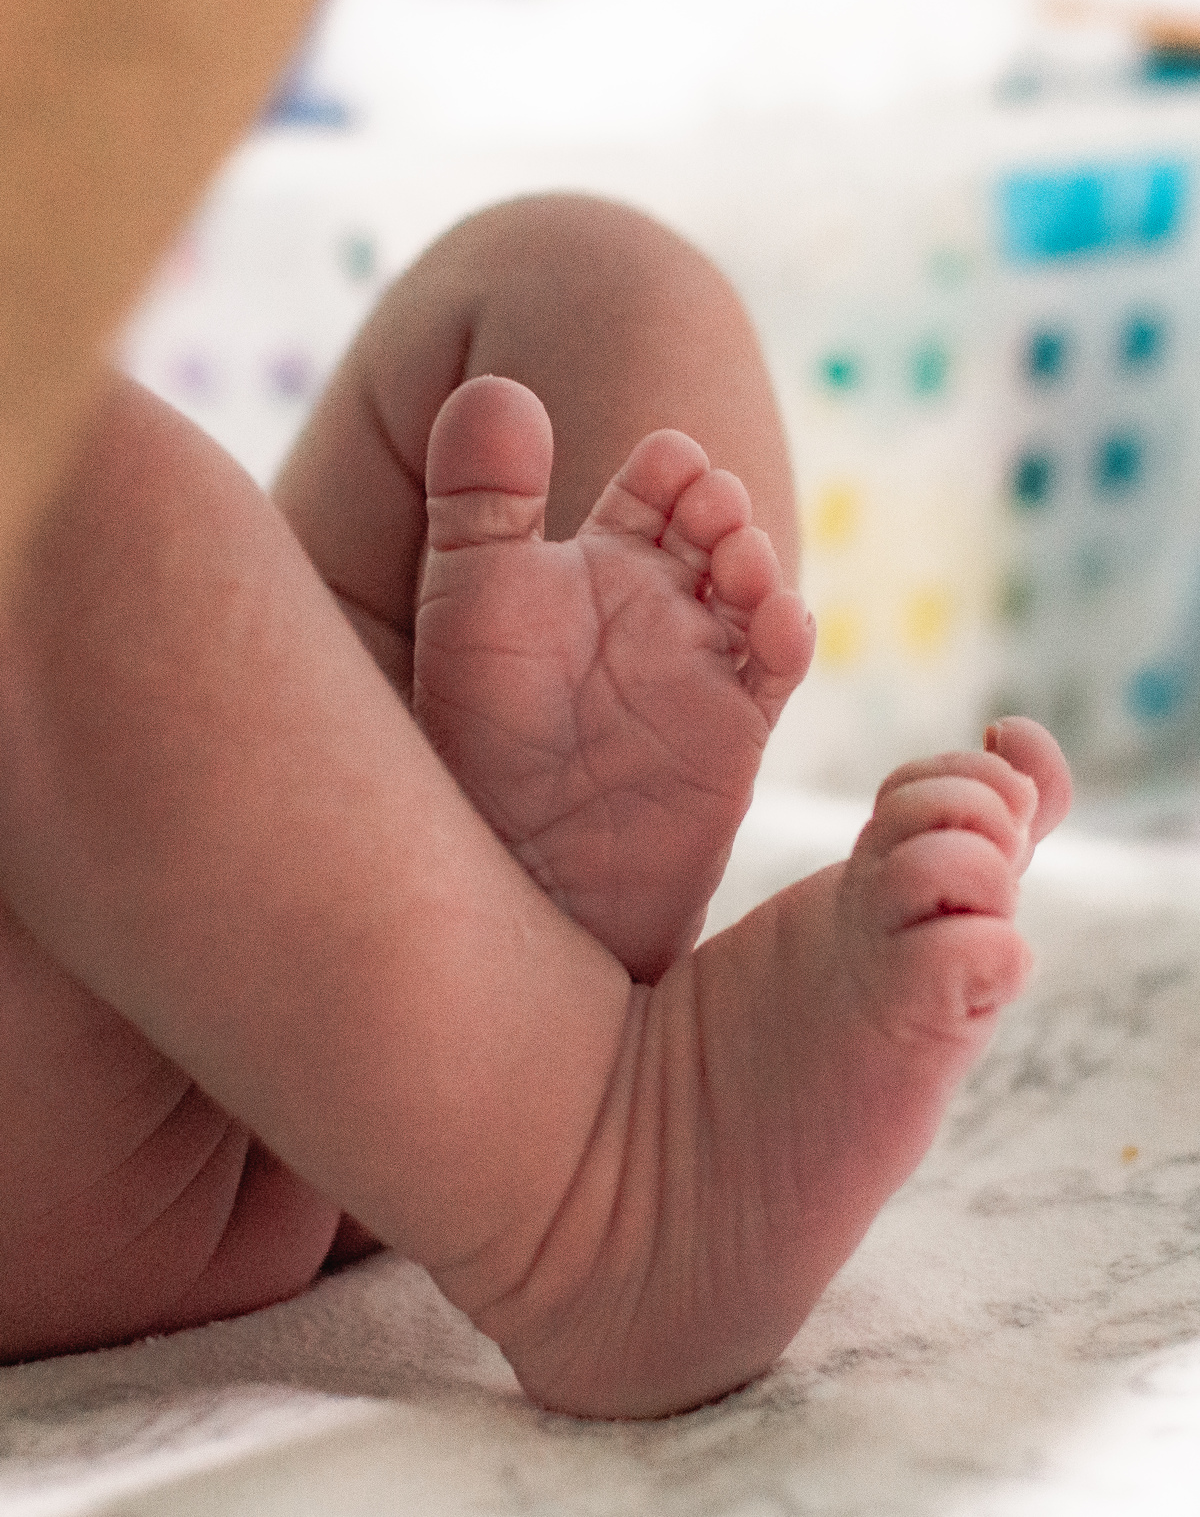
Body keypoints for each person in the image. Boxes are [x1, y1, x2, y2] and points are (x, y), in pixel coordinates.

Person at [0, 193, 1070, 1419]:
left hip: (192, 904)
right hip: (82, 1061)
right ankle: (590, 1188)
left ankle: (502, 952)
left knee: (582, 281)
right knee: (40, 474)